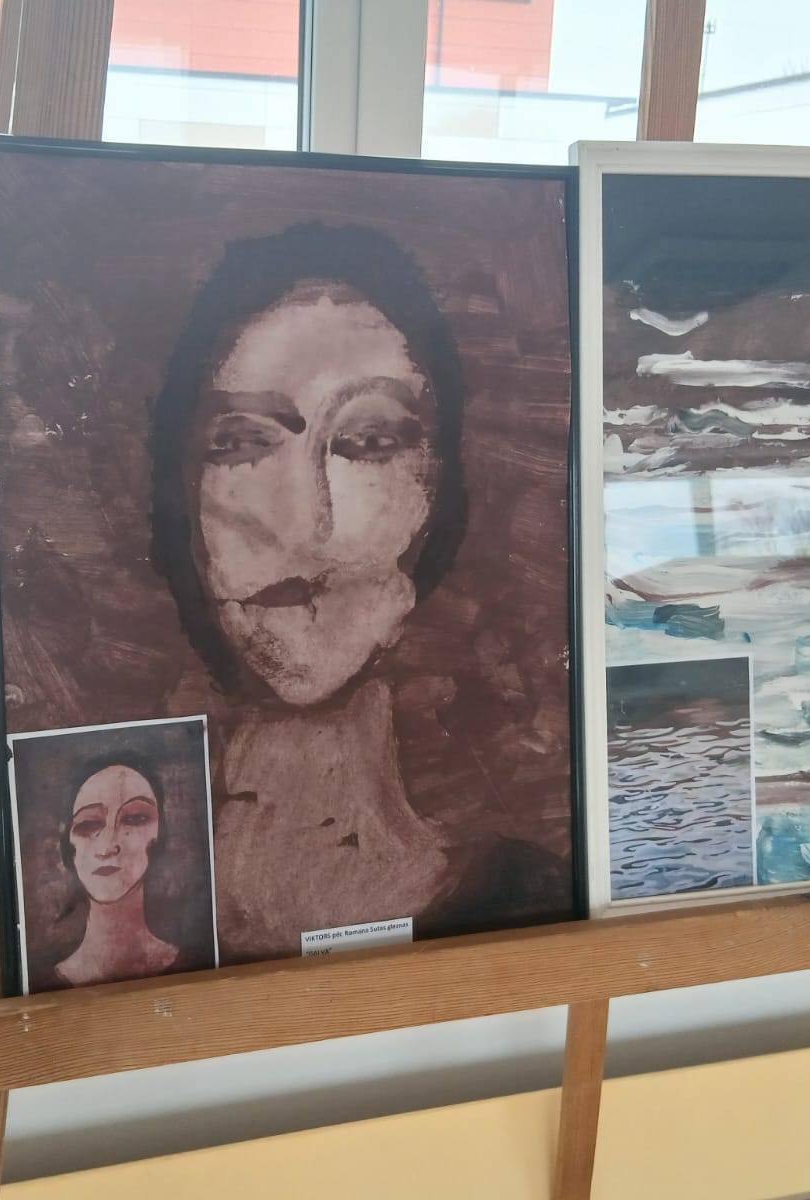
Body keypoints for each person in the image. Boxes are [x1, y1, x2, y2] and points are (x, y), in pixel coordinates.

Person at [150, 222, 570, 963]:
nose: (307, 520)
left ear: (437, 496)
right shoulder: (115, 927)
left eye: (369, 444)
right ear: (183, 489)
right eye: (241, 443)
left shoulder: (530, 900)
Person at [50, 759, 181, 987]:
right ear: (68, 844)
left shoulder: (196, 967)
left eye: (135, 819)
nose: (108, 846)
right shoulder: (44, 985)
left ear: (159, 835)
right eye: (88, 824)